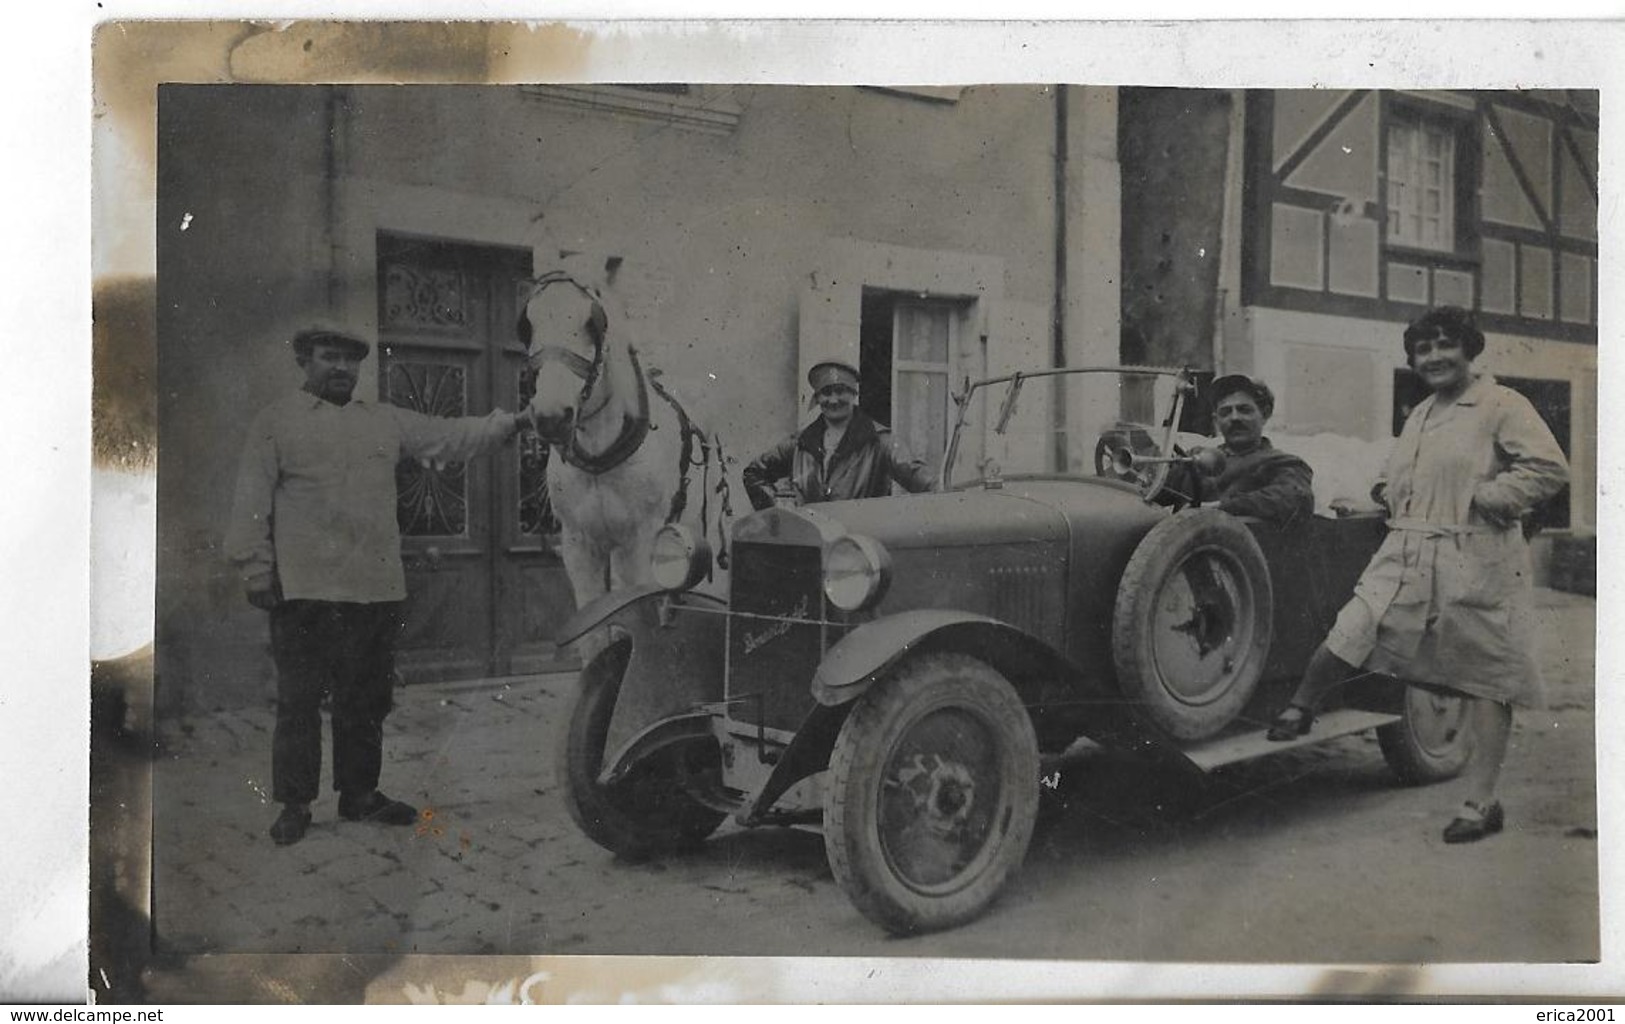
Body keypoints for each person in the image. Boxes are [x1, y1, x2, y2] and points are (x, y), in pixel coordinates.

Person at [1264, 307, 1569, 845]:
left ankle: (1481, 803)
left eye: (1445, 345)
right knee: (1354, 626)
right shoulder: (1422, 412)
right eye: (1423, 350)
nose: (1433, 358)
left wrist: (1491, 498)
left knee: (1484, 677)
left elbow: (1548, 468)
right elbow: (1401, 471)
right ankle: (1302, 707)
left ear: (1470, 349)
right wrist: (1385, 491)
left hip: (1474, 555)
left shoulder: (1501, 405)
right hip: (1406, 548)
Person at [226, 325, 532, 846]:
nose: (342, 368)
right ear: (305, 362)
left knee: (365, 700)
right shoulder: (276, 422)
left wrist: (515, 422)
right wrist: (256, 569)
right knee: (299, 703)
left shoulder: (384, 421)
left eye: (351, 360)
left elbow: (452, 437)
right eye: (329, 358)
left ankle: (360, 795)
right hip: (304, 590)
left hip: (373, 589)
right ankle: (295, 804)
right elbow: (251, 499)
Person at [743, 360, 935, 510]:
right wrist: (778, 510)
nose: (833, 400)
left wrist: (946, 493)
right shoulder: (800, 443)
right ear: (817, 398)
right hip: (809, 545)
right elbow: (753, 473)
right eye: (826, 393)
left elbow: (917, 476)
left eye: (840, 391)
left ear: (854, 394)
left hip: (857, 547)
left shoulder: (880, 441)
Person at [1162, 374, 1315, 525]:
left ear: (1265, 414)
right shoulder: (1194, 458)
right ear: (1216, 420)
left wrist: (1220, 507)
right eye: (1225, 412)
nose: (1234, 418)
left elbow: (1294, 497)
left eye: (1244, 410)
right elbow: (1156, 493)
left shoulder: (1283, 463)